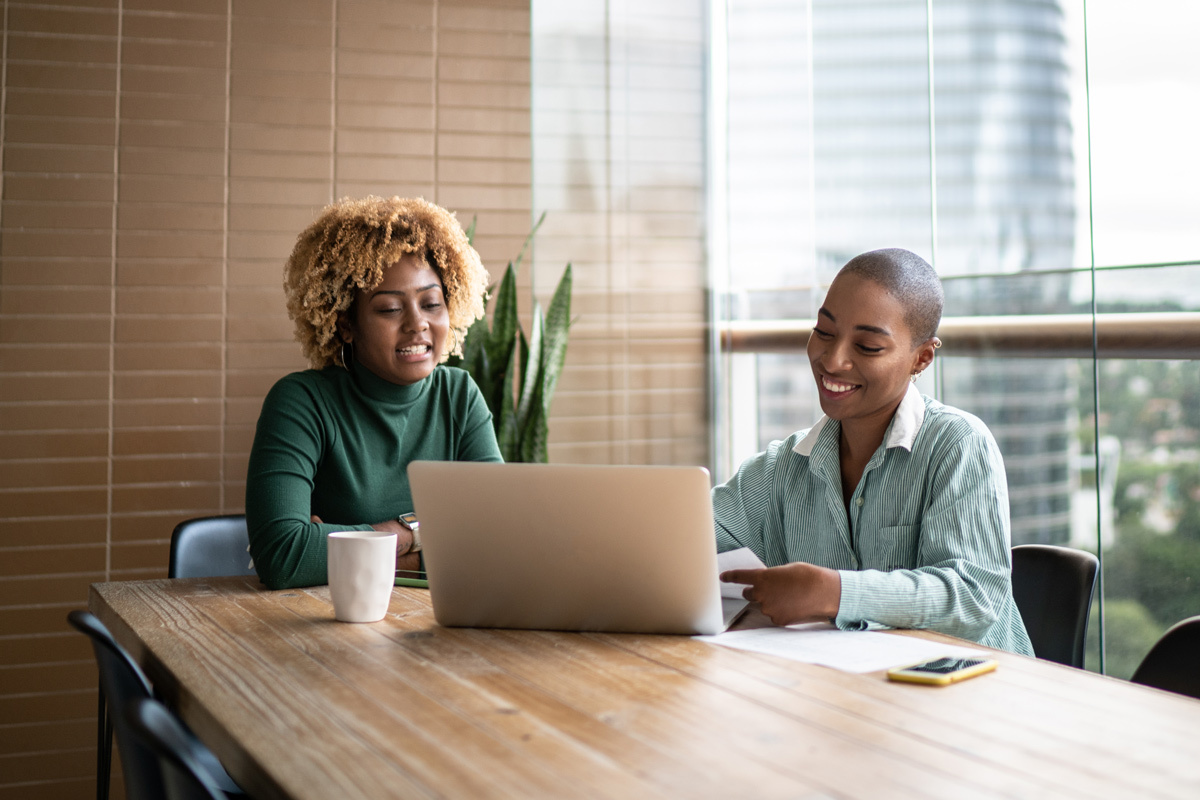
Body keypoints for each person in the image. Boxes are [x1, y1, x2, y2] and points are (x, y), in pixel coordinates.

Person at [715, 248, 1033, 654]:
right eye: (824, 332)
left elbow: (974, 598)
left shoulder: (958, 445)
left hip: (969, 693)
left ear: (921, 358)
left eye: (867, 347)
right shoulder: (785, 467)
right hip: (853, 692)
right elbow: (685, 535)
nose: (833, 359)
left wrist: (834, 592)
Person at [246, 196, 503, 590]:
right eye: (389, 309)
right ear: (346, 324)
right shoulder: (301, 403)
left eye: (431, 303)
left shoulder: (460, 397)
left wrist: (381, 539)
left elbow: (500, 537)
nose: (418, 324)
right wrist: (430, 542)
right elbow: (284, 556)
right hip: (330, 631)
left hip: (437, 627)